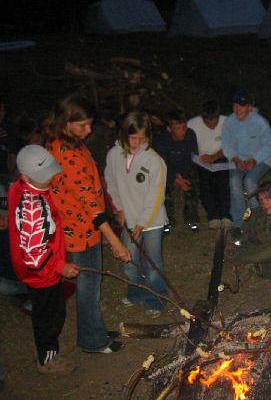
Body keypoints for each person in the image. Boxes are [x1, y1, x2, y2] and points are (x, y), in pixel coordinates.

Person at [46, 95, 130, 354]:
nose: (89, 130)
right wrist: (115, 241)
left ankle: (93, 331)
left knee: (90, 286)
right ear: (65, 123)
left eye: (90, 124)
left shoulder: (71, 143)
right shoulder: (65, 154)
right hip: (80, 232)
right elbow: (90, 206)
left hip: (86, 228)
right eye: (82, 125)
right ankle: (93, 341)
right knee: (89, 289)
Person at [8, 145, 80, 373]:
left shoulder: (21, 188)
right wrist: (60, 266)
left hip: (43, 269)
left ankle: (46, 348)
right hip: (42, 274)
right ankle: (47, 358)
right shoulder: (32, 207)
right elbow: (34, 255)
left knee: (46, 310)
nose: (49, 178)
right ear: (25, 176)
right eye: (43, 176)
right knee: (49, 315)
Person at [105, 112, 170, 318]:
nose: (137, 142)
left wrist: (142, 224)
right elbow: (111, 183)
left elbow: (155, 196)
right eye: (133, 138)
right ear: (124, 134)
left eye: (142, 138)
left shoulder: (154, 161)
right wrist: (119, 210)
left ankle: (157, 299)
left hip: (151, 221)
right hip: (127, 220)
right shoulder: (114, 155)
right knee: (129, 260)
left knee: (153, 262)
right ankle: (137, 292)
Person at [221, 91, 271, 243]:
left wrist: (254, 160)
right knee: (234, 180)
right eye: (235, 105)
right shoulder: (229, 122)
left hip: (261, 160)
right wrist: (235, 158)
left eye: (242, 105)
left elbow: (268, 146)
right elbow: (226, 145)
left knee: (250, 182)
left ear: (250, 107)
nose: (238, 108)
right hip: (239, 161)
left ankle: (258, 219)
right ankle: (238, 223)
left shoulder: (260, 122)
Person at [187, 100, 232, 229]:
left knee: (223, 181)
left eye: (215, 122)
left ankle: (225, 214)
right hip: (201, 159)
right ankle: (213, 215)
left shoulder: (227, 122)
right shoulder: (192, 124)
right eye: (208, 122)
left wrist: (215, 156)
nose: (212, 125)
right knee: (205, 183)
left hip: (222, 157)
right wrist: (200, 157)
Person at [154, 110, 200, 232]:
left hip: (185, 168)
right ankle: (167, 220)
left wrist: (181, 177)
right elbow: (162, 163)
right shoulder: (161, 140)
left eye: (184, 127)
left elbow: (192, 158)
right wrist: (174, 177)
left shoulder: (190, 135)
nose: (183, 131)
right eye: (178, 128)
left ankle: (191, 218)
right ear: (169, 129)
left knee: (192, 182)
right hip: (167, 170)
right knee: (163, 190)